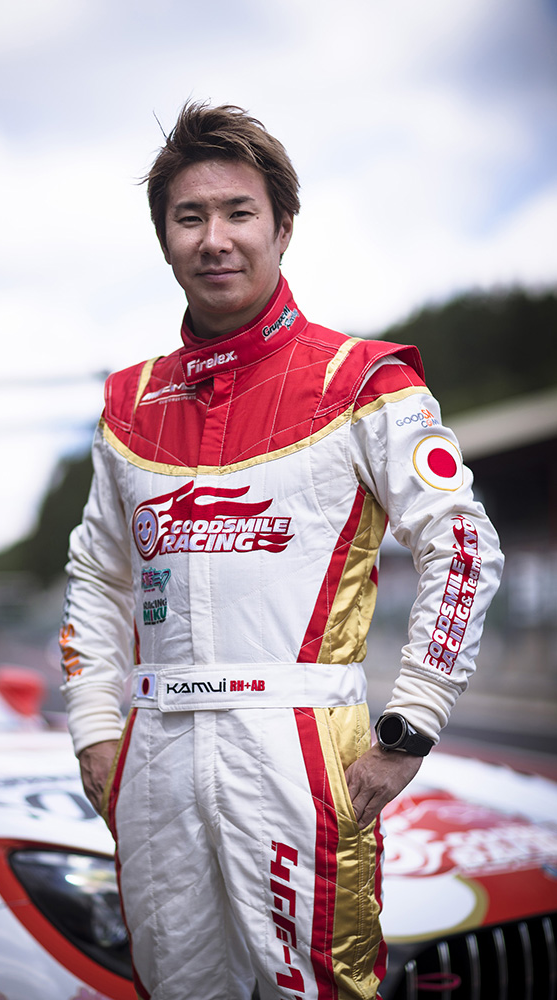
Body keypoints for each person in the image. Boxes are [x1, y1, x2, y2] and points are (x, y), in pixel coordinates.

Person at [59, 101, 503, 1000]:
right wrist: (96, 731)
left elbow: (462, 544)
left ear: (282, 227)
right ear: (164, 239)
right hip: (153, 760)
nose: (214, 239)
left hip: (298, 750)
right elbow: (96, 580)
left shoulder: (363, 379)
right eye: (189, 217)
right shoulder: (127, 404)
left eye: (238, 213)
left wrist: (408, 727)